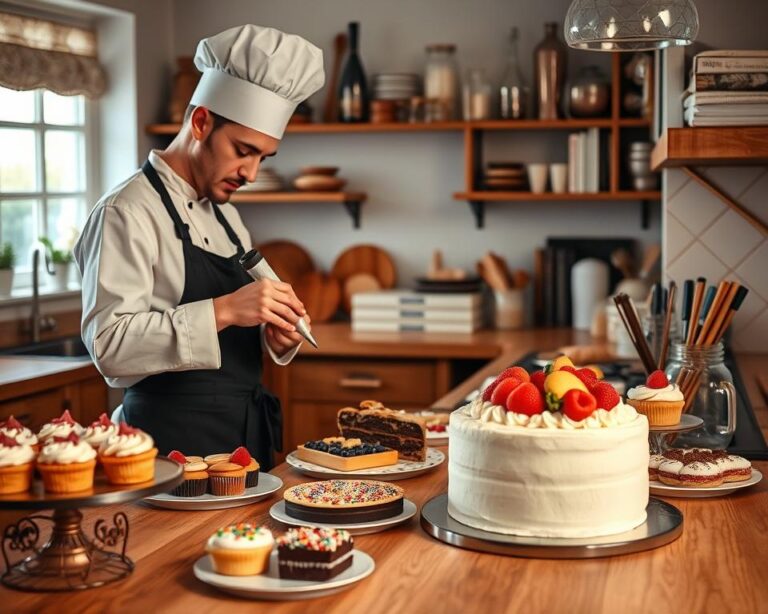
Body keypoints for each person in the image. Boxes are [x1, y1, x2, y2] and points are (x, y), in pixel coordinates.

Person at [74, 25, 325, 469]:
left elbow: (245, 320)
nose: (250, 173)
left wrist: (278, 333)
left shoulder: (225, 213)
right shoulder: (126, 212)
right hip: (168, 451)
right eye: (243, 150)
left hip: (242, 443)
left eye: (263, 159)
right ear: (201, 121)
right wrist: (225, 309)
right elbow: (109, 347)